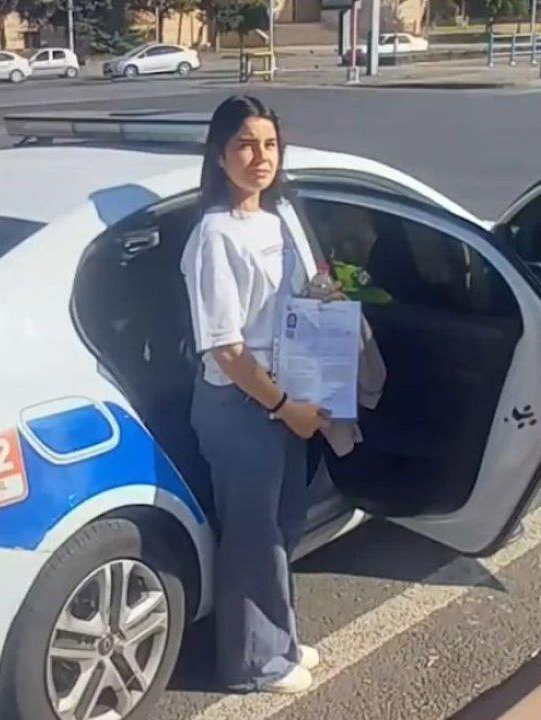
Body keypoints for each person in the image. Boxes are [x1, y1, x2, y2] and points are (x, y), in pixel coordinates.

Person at [180, 95, 336, 695]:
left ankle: (278, 638)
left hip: (285, 396)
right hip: (242, 406)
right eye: (245, 145)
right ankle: (254, 664)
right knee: (254, 537)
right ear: (220, 156)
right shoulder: (215, 235)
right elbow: (226, 349)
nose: (260, 157)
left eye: (269, 145)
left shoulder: (278, 219)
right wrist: (284, 408)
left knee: (284, 525)